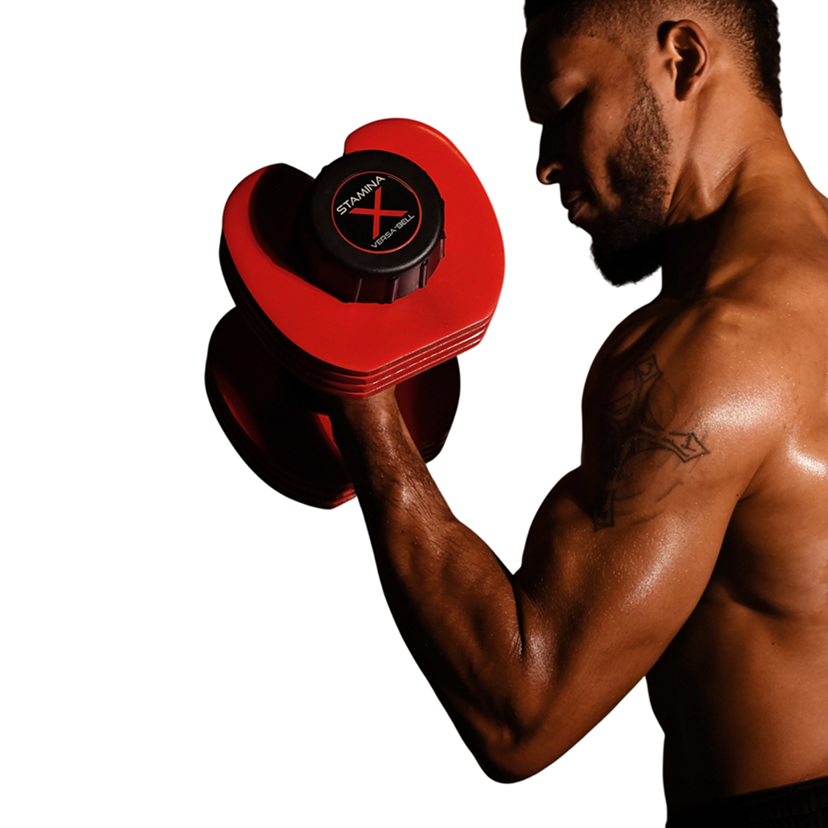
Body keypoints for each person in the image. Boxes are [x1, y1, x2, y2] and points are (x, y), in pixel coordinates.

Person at [327, 1, 828, 824]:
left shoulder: (716, 351)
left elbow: (521, 707)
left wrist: (359, 395)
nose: (545, 163)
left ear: (683, 58)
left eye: (566, 108)